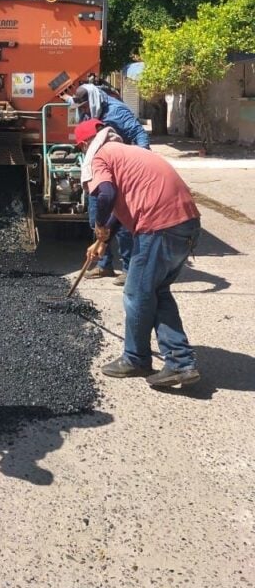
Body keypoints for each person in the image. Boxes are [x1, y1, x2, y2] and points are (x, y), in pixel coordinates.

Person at [75, 118, 201, 389]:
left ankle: (136, 359)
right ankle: (180, 362)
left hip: (159, 228)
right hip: (188, 225)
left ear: (85, 144)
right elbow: (123, 207)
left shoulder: (100, 157)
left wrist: (98, 227)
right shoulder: (130, 152)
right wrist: (104, 239)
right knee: (156, 291)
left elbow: (106, 195)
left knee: (136, 295)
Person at [71, 83, 150, 284]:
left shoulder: (117, 110)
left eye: (84, 107)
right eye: (80, 109)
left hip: (119, 172)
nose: (83, 112)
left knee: (121, 222)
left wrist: (142, 160)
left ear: (93, 101)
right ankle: (104, 265)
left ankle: (128, 268)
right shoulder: (89, 110)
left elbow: (139, 134)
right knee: (95, 219)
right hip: (99, 169)